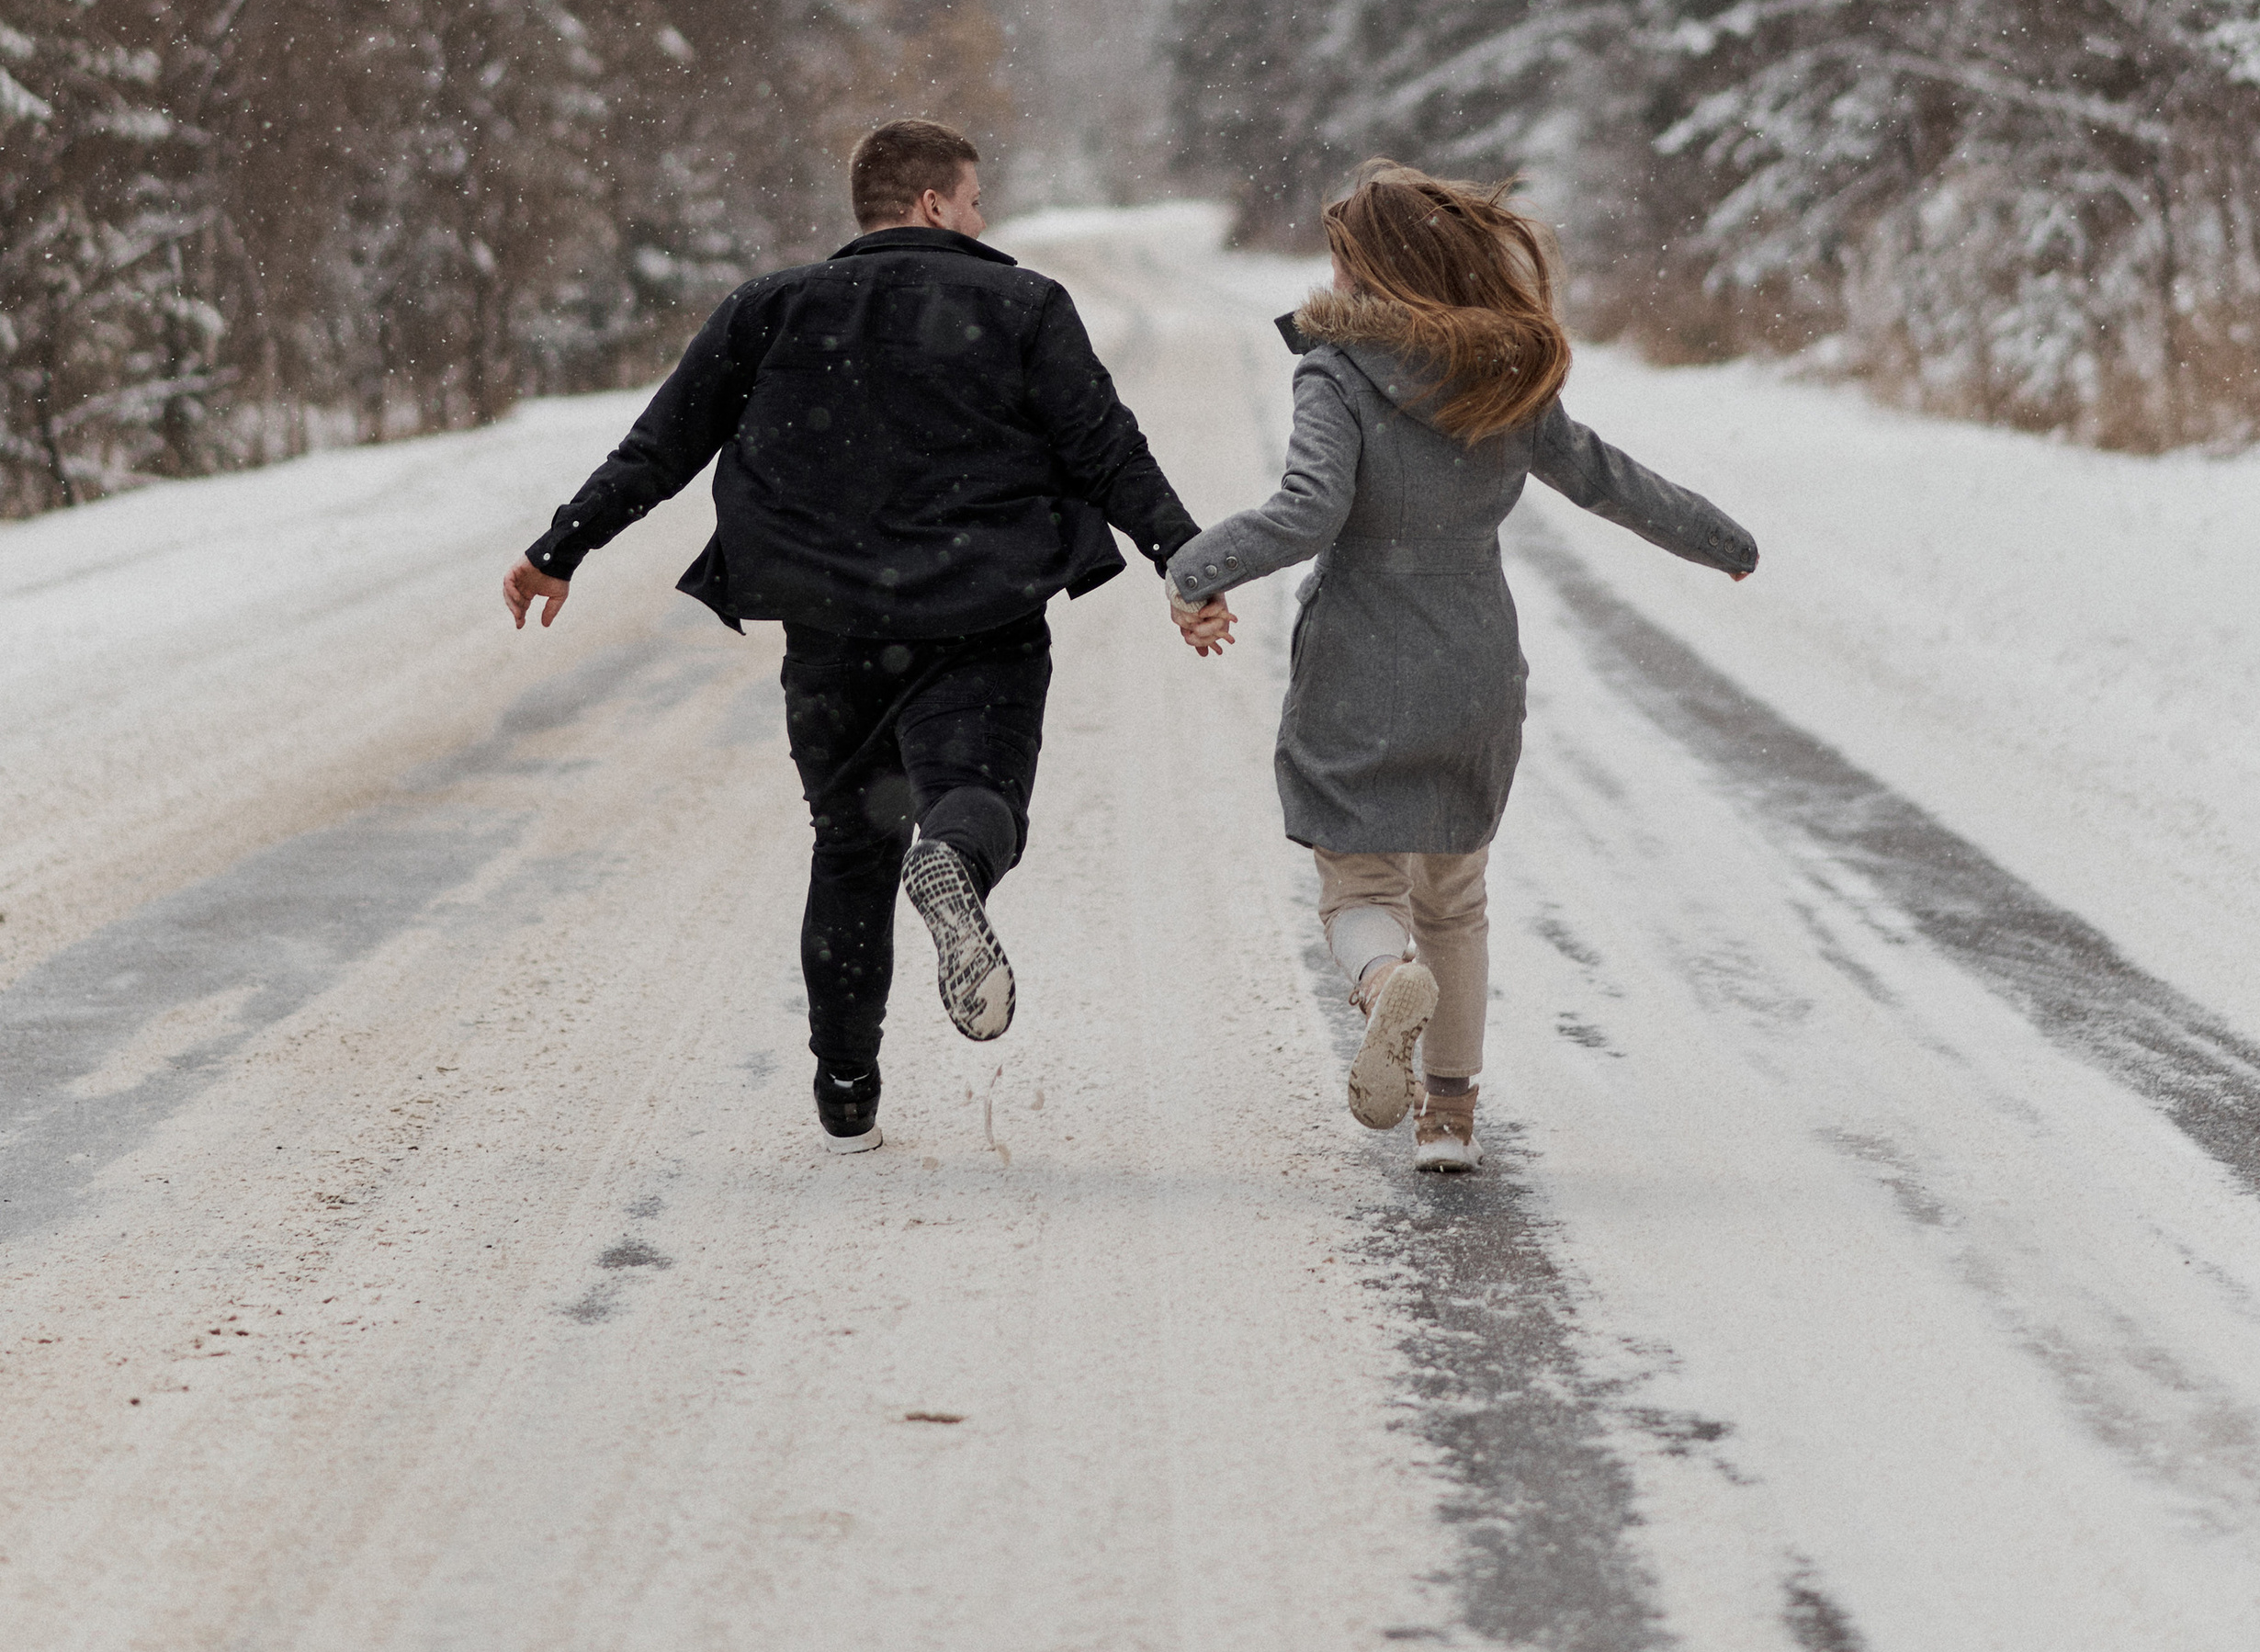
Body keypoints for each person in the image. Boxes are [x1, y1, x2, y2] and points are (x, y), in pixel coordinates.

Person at [501, 119, 1201, 1155]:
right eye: (971, 202)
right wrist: (1185, 562)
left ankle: (845, 1087)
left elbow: (665, 442)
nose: (979, 219)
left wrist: (563, 546)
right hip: (984, 613)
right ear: (930, 205)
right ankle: (955, 860)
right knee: (978, 793)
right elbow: (1104, 446)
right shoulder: (1022, 306)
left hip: (833, 626)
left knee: (849, 845)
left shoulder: (771, 307)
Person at [1161, 161, 1755, 1174]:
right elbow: (1603, 479)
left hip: (1357, 659)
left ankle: (1380, 980)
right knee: (1455, 896)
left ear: (1368, 269)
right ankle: (1448, 1117)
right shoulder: (1503, 376)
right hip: (1474, 662)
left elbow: (1309, 512)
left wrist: (1194, 567)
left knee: (1358, 884)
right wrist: (1722, 540)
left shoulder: (1335, 372)